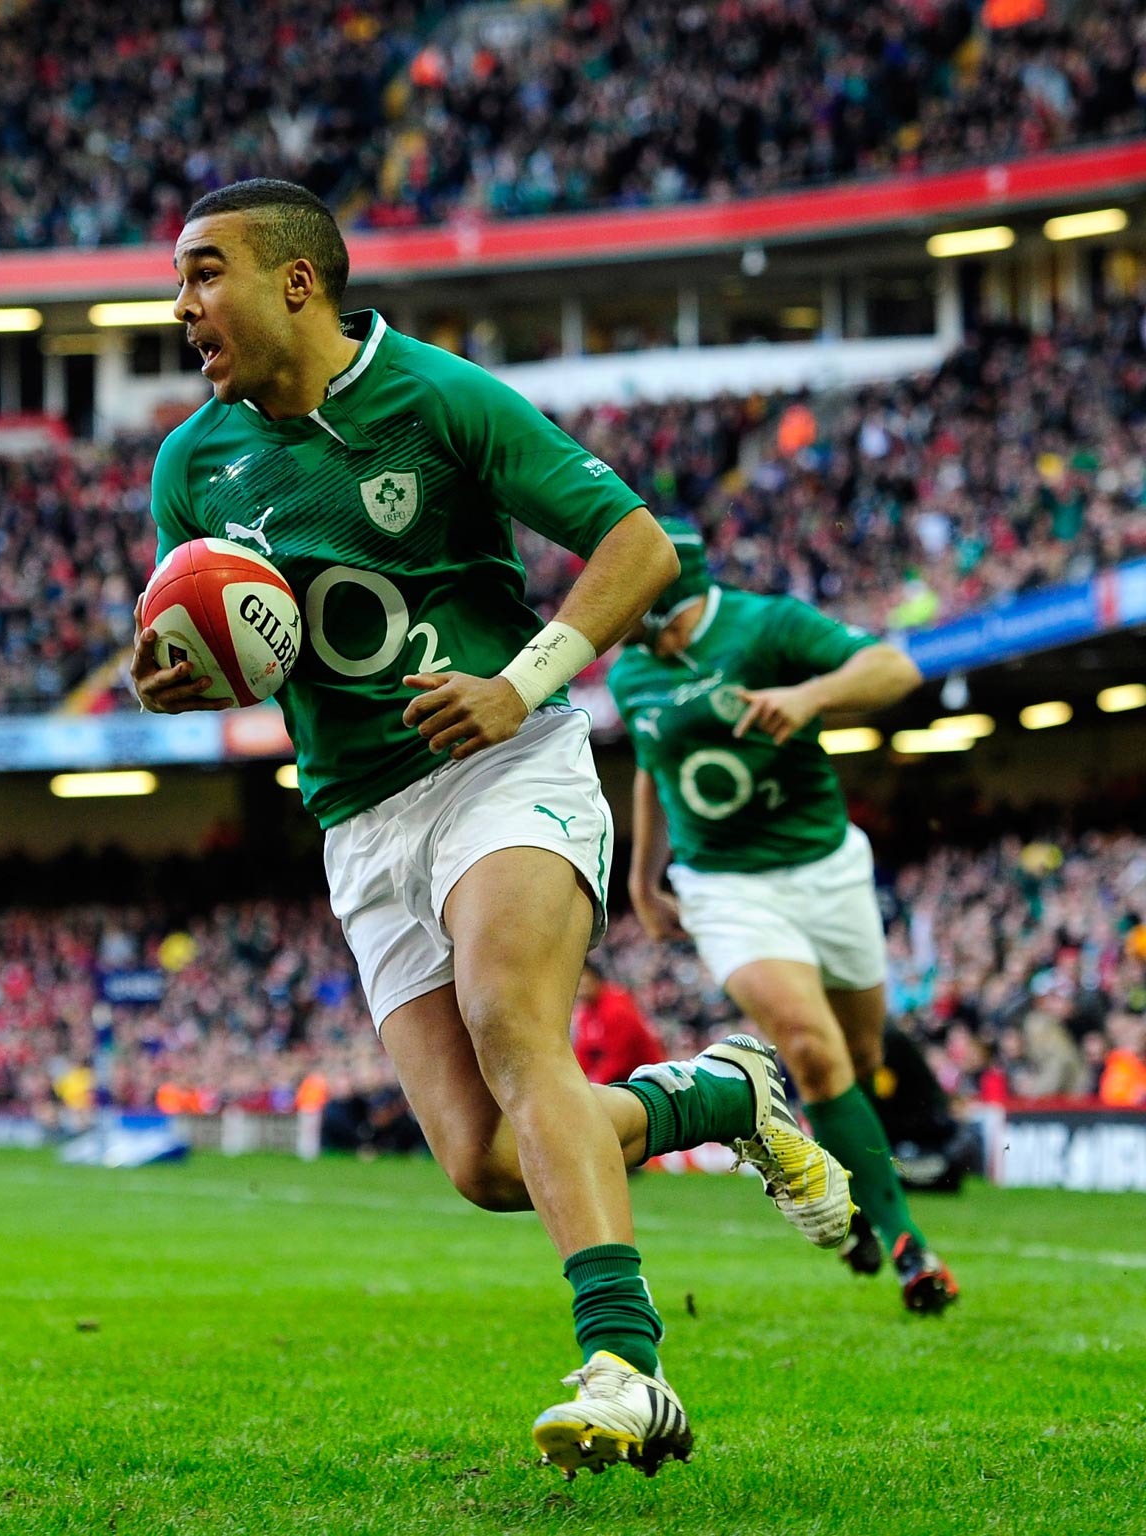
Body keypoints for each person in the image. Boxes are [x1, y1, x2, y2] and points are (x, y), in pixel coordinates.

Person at [133, 178, 851, 1478]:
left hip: (505, 769)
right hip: (357, 818)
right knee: (480, 1158)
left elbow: (639, 548)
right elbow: (221, 642)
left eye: (202, 274)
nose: (181, 306)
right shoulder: (192, 466)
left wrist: (521, 681)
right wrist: (173, 674)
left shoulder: (439, 396)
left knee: (519, 1038)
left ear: (297, 282)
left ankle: (627, 1369)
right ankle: (721, 1090)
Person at [610, 518, 958, 1313]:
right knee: (811, 1047)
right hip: (726, 887)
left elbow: (894, 667)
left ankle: (845, 1187)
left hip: (826, 869)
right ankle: (910, 1246)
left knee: (860, 1053)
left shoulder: (767, 624)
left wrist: (811, 695)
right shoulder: (631, 674)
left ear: (667, 592)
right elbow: (651, 760)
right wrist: (642, 874)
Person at [572, 962, 665, 1086]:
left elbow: (618, 1058)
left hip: (647, 1080)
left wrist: (591, 1084)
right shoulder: (586, 1013)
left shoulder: (616, 1008)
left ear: (594, 978)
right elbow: (584, 1053)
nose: (579, 988)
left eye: (582, 980)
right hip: (622, 1082)